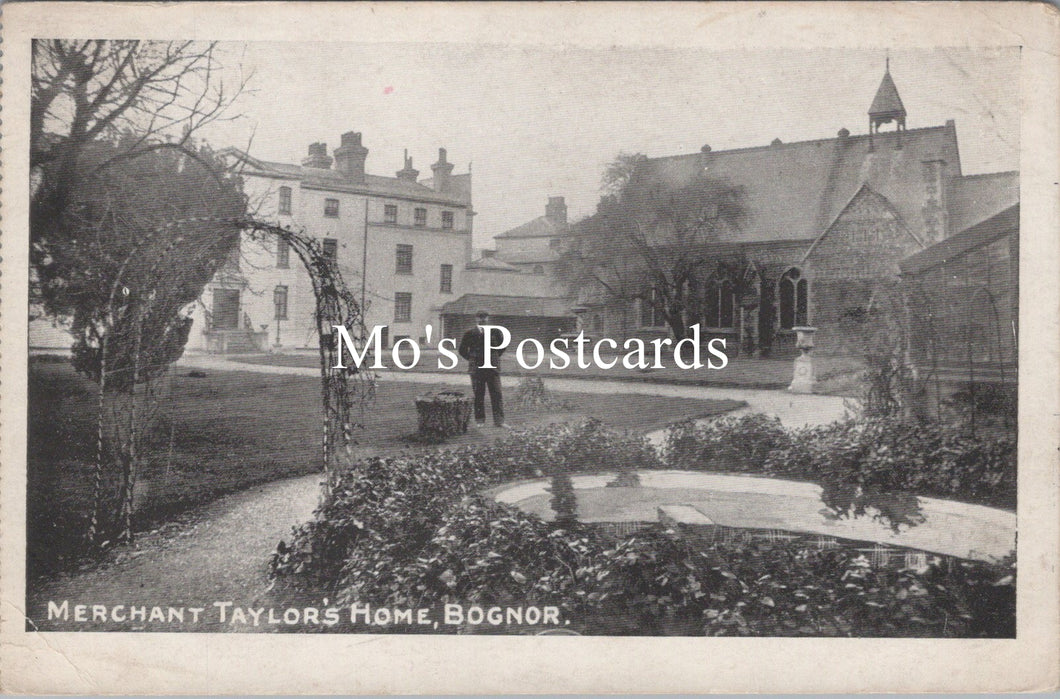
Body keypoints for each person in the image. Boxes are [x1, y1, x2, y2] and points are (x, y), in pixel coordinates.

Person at [458, 310, 508, 428]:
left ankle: (499, 421)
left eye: (484, 317)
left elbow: (502, 347)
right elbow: (462, 350)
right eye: (480, 317)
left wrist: (493, 358)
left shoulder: (495, 332)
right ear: (476, 319)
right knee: (479, 395)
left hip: (492, 369)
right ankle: (480, 420)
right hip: (477, 370)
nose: (482, 320)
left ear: (488, 319)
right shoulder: (469, 333)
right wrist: (473, 360)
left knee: (497, 394)